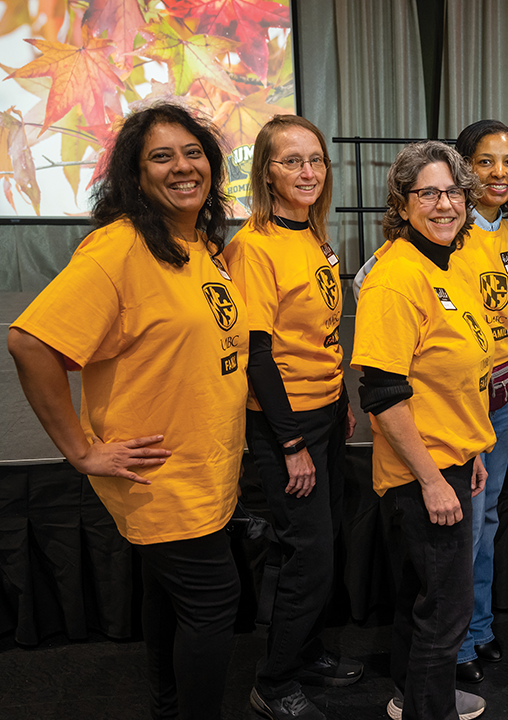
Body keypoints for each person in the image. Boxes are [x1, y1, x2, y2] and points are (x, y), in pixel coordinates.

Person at [8, 102, 247, 720]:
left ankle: (166, 707)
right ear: (134, 176)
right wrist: (81, 450)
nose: (182, 166)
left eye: (192, 152)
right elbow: (31, 343)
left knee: (169, 597)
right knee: (213, 600)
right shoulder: (118, 249)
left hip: (204, 464)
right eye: (160, 157)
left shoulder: (195, 244)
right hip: (159, 473)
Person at [222, 115, 362, 720]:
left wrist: (341, 403)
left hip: (325, 410)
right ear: (266, 173)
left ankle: (303, 653)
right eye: (291, 161)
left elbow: (323, 334)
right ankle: (274, 681)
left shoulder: (313, 235)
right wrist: (292, 443)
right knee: (309, 555)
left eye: (315, 160)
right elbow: (257, 356)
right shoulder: (254, 246)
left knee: (307, 547)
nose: (308, 172)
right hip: (286, 423)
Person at [352, 141, 493, 720]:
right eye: (428, 193)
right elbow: (382, 396)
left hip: (452, 460)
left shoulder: (447, 264)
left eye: (454, 192)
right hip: (422, 476)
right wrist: (435, 480)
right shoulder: (396, 277)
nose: (444, 204)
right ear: (403, 203)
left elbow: (451, 377)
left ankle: (415, 698)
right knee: (444, 615)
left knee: (423, 600)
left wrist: (473, 449)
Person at [448, 120, 508, 684]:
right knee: (467, 521)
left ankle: (478, 630)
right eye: (485, 161)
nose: (498, 173)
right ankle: (452, 644)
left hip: (503, 394)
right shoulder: (447, 231)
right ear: (462, 166)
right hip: (460, 398)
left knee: (490, 515)